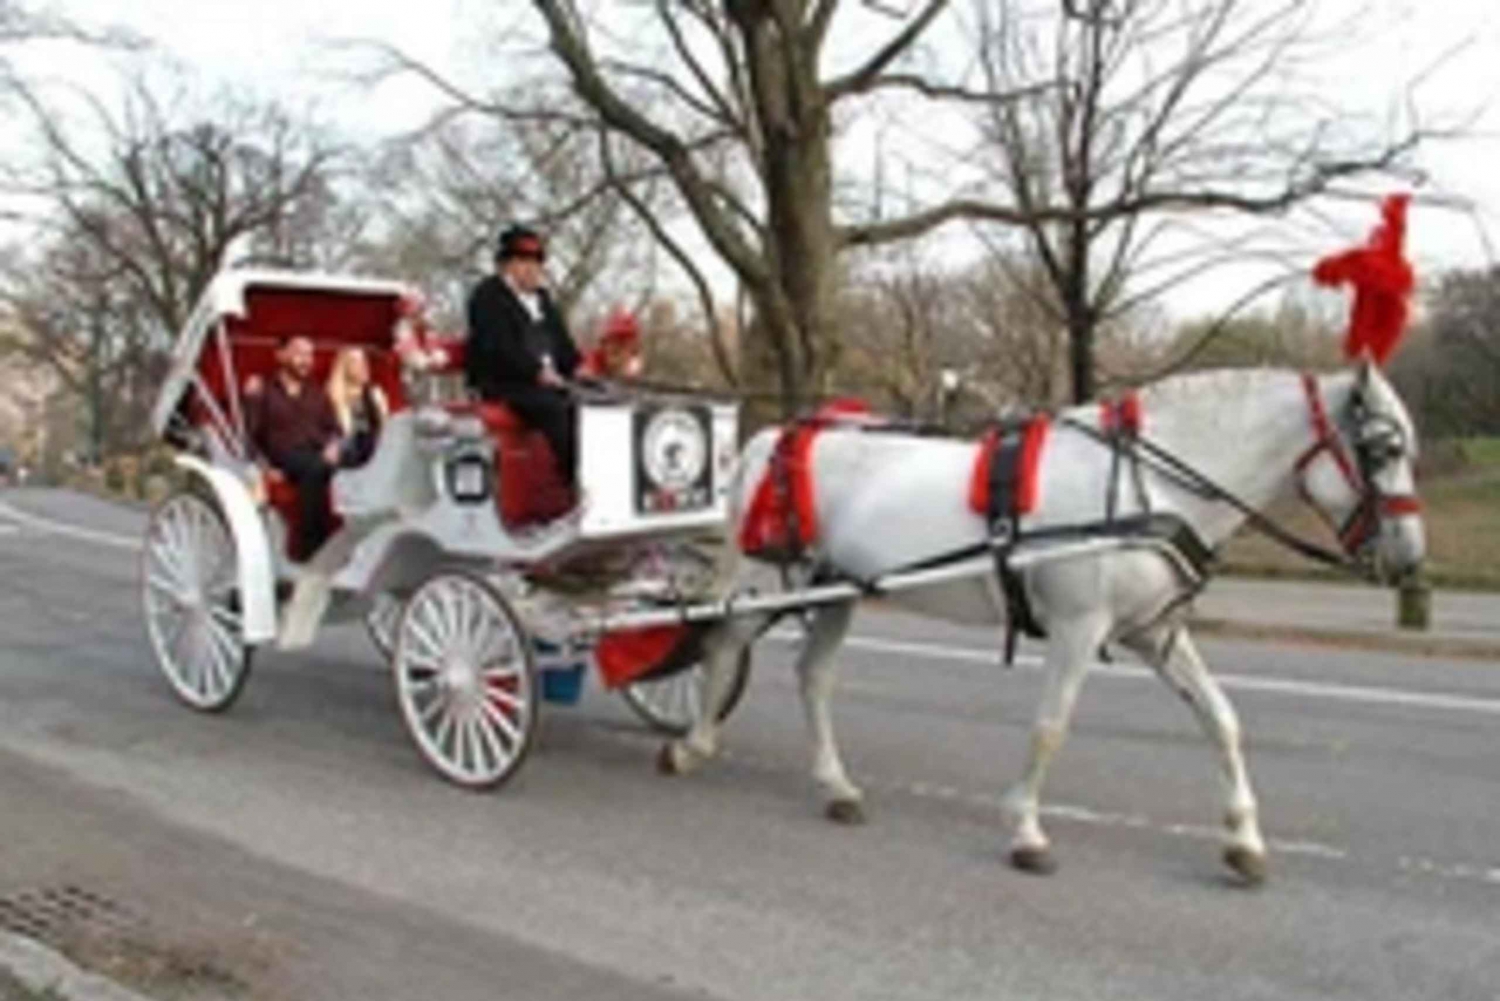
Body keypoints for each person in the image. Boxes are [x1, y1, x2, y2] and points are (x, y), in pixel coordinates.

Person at [464, 225, 582, 485]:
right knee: (557, 409)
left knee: (594, 406)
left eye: (536, 263)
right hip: (506, 382)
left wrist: (576, 369)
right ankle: (572, 482)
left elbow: (562, 343)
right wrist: (536, 372)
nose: (532, 269)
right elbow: (497, 347)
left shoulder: (543, 299)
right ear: (506, 265)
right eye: (523, 262)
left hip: (549, 381)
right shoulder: (487, 297)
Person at [246, 335, 343, 560]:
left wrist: (335, 446)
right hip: (286, 458)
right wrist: (264, 467)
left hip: (320, 455)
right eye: (299, 353)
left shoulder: (318, 393)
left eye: (310, 355)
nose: (306, 360)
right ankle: (312, 549)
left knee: (352, 462)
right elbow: (250, 436)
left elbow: (335, 430)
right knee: (315, 467)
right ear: (280, 355)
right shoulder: (263, 392)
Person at [326, 347, 389, 468]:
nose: (363, 366)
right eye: (355, 362)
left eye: (364, 361)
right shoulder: (334, 394)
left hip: (372, 445)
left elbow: (384, 428)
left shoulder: (375, 393)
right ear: (344, 367)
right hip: (347, 447)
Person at [579, 307, 644, 381]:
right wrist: (588, 372)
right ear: (604, 346)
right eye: (614, 353)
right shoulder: (594, 358)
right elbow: (586, 370)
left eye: (624, 344)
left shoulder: (632, 364)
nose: (617, 361)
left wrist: (631, 375)